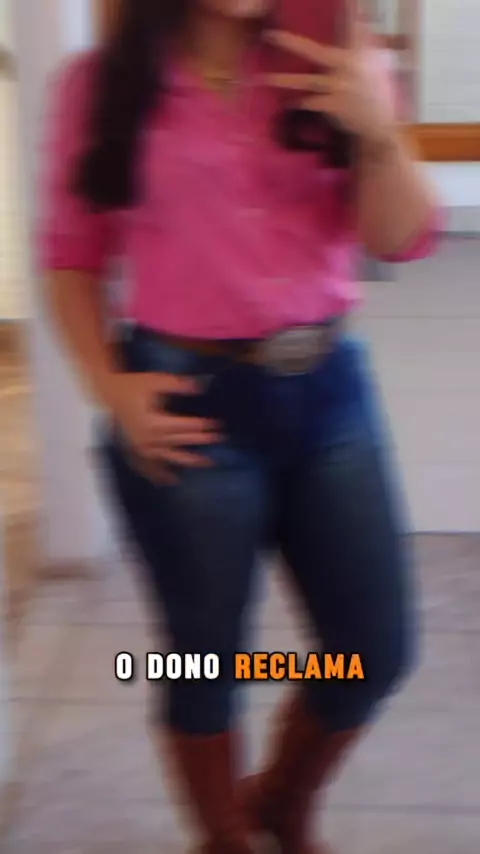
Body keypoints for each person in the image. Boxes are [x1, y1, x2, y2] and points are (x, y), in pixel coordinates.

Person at [39, 1, 440, 852]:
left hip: (328, 396)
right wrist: (110, 389)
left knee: (373, 648)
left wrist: (376, 130)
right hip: (185, 404)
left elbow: (402, 238)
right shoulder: (99, 84)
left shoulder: (340, 59)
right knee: (201, 657)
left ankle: (282, 803)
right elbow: (72, 257)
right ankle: (222, 838)